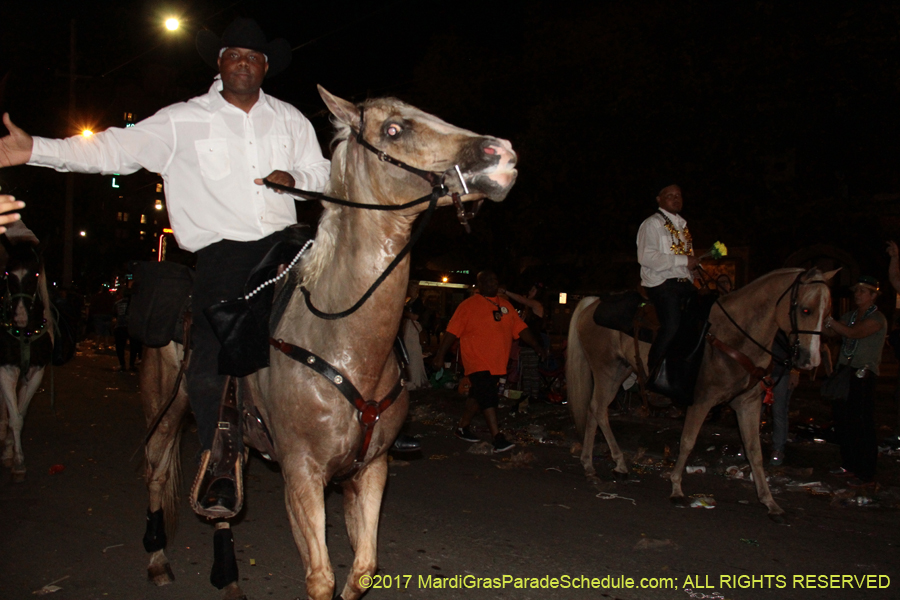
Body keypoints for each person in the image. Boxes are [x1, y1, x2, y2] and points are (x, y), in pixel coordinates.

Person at [0, 19, 331, 518]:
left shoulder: (290, 119)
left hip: (289, 245)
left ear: (265, 67)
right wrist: (36, 151)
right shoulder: (183, 119)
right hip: (224, 252)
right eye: (233, 53)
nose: (243, 61)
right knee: (212, 346)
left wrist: (296, 176)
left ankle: (370, 418)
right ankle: (218, 458)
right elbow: (114, 148)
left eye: (254, 56)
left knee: (349, 300)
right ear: (219, 62)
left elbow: (323, 172)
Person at [431, 270, 546, 453]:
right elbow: (452, 331)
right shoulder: (468, 306)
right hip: (477, 360)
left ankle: (462, 427)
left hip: (497, 363)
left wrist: (538, 347)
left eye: (495, 279)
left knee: (478, 395)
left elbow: (521, 329)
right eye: (488, 280)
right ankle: (497, 437)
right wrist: (440, 355)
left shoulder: (506, 306)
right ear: (479, 285)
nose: (493, 282)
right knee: (488, 395)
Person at [824, 275, 887, 487]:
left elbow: (853, 333)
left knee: (862, 422)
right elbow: (831, 332)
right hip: (845, 372)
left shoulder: (877, 319)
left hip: (863, 374)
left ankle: (865, 470)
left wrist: (832, 322)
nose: (857, 295)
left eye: (863, 291)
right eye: (856, 291)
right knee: (843, 421)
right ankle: (849, 464)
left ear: (872, 296)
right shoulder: (850, 315)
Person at [636, 183, 700, 380]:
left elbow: (687, 258)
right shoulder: (652, 224)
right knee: (672, 325)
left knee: (707, 319)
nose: (675, 198)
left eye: (678, 195)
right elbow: (646, 257)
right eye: (670, 195)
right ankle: (653, 374)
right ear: (659, 199)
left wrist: (694, 270)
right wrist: (684, 261)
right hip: (661, 283)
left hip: (683, 282)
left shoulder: (683, 226)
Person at [500, 283, 546, 413]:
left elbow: (522, 299)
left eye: (533, 290)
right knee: (526, 371)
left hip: (534, 343)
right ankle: (526, 395)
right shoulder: (528, 308)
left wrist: (506, 291)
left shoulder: (537, 305)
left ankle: (534, 396)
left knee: (532, 371)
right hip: (526, 343)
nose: (530, 292)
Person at [401, 281, 429, 390]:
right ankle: (412, 379)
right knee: (409, 354)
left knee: (413, 354)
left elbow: (416, 317)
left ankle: (415, 380)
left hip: (412, 331)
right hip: (408, 329)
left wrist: (404, 313)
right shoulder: (409, 301)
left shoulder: (417, 302)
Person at [114, 290, 142, 372]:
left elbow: (115, 314)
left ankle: (122, 364)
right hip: (132, 327)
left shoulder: (118, 303)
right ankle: (131, 364)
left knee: (120, 347)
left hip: (120, 326)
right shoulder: (136, 304)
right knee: (133, 347)